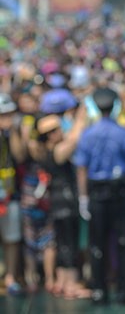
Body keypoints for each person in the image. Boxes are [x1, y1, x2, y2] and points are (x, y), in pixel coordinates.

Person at [74, 87, 125, 304]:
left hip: (97, 194)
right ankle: (123, 289)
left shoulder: (88, 134)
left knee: (98, 244)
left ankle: (100, 289)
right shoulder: (124, 133)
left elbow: (81, 169)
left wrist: (83, 197)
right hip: (120, 193)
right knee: (123, 242)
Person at [36, 108, 91, 299]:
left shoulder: (46, 151)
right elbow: (74, 139)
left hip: (58, 203)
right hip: (65, 204)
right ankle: (71, 286)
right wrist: (81, 118)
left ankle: (62, 282)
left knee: (63, 243)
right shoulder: (57, 151)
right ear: (50, 135)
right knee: (69, 245)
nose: (61, 132)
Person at [0, 93, 24, 295]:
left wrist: (13, 131)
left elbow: (19, 155)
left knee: (12, 237)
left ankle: (11, 276)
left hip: (11, 194)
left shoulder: (14, 132)